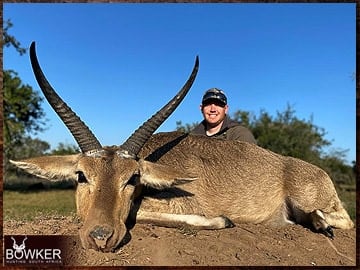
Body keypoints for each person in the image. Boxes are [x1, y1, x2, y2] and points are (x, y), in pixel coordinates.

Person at [191, 87, 256, 143]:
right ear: (201, 108)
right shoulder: (191, 138)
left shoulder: (240, 134)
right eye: (208, 104)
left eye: (218, 104)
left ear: (226, 109)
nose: (213, 109)